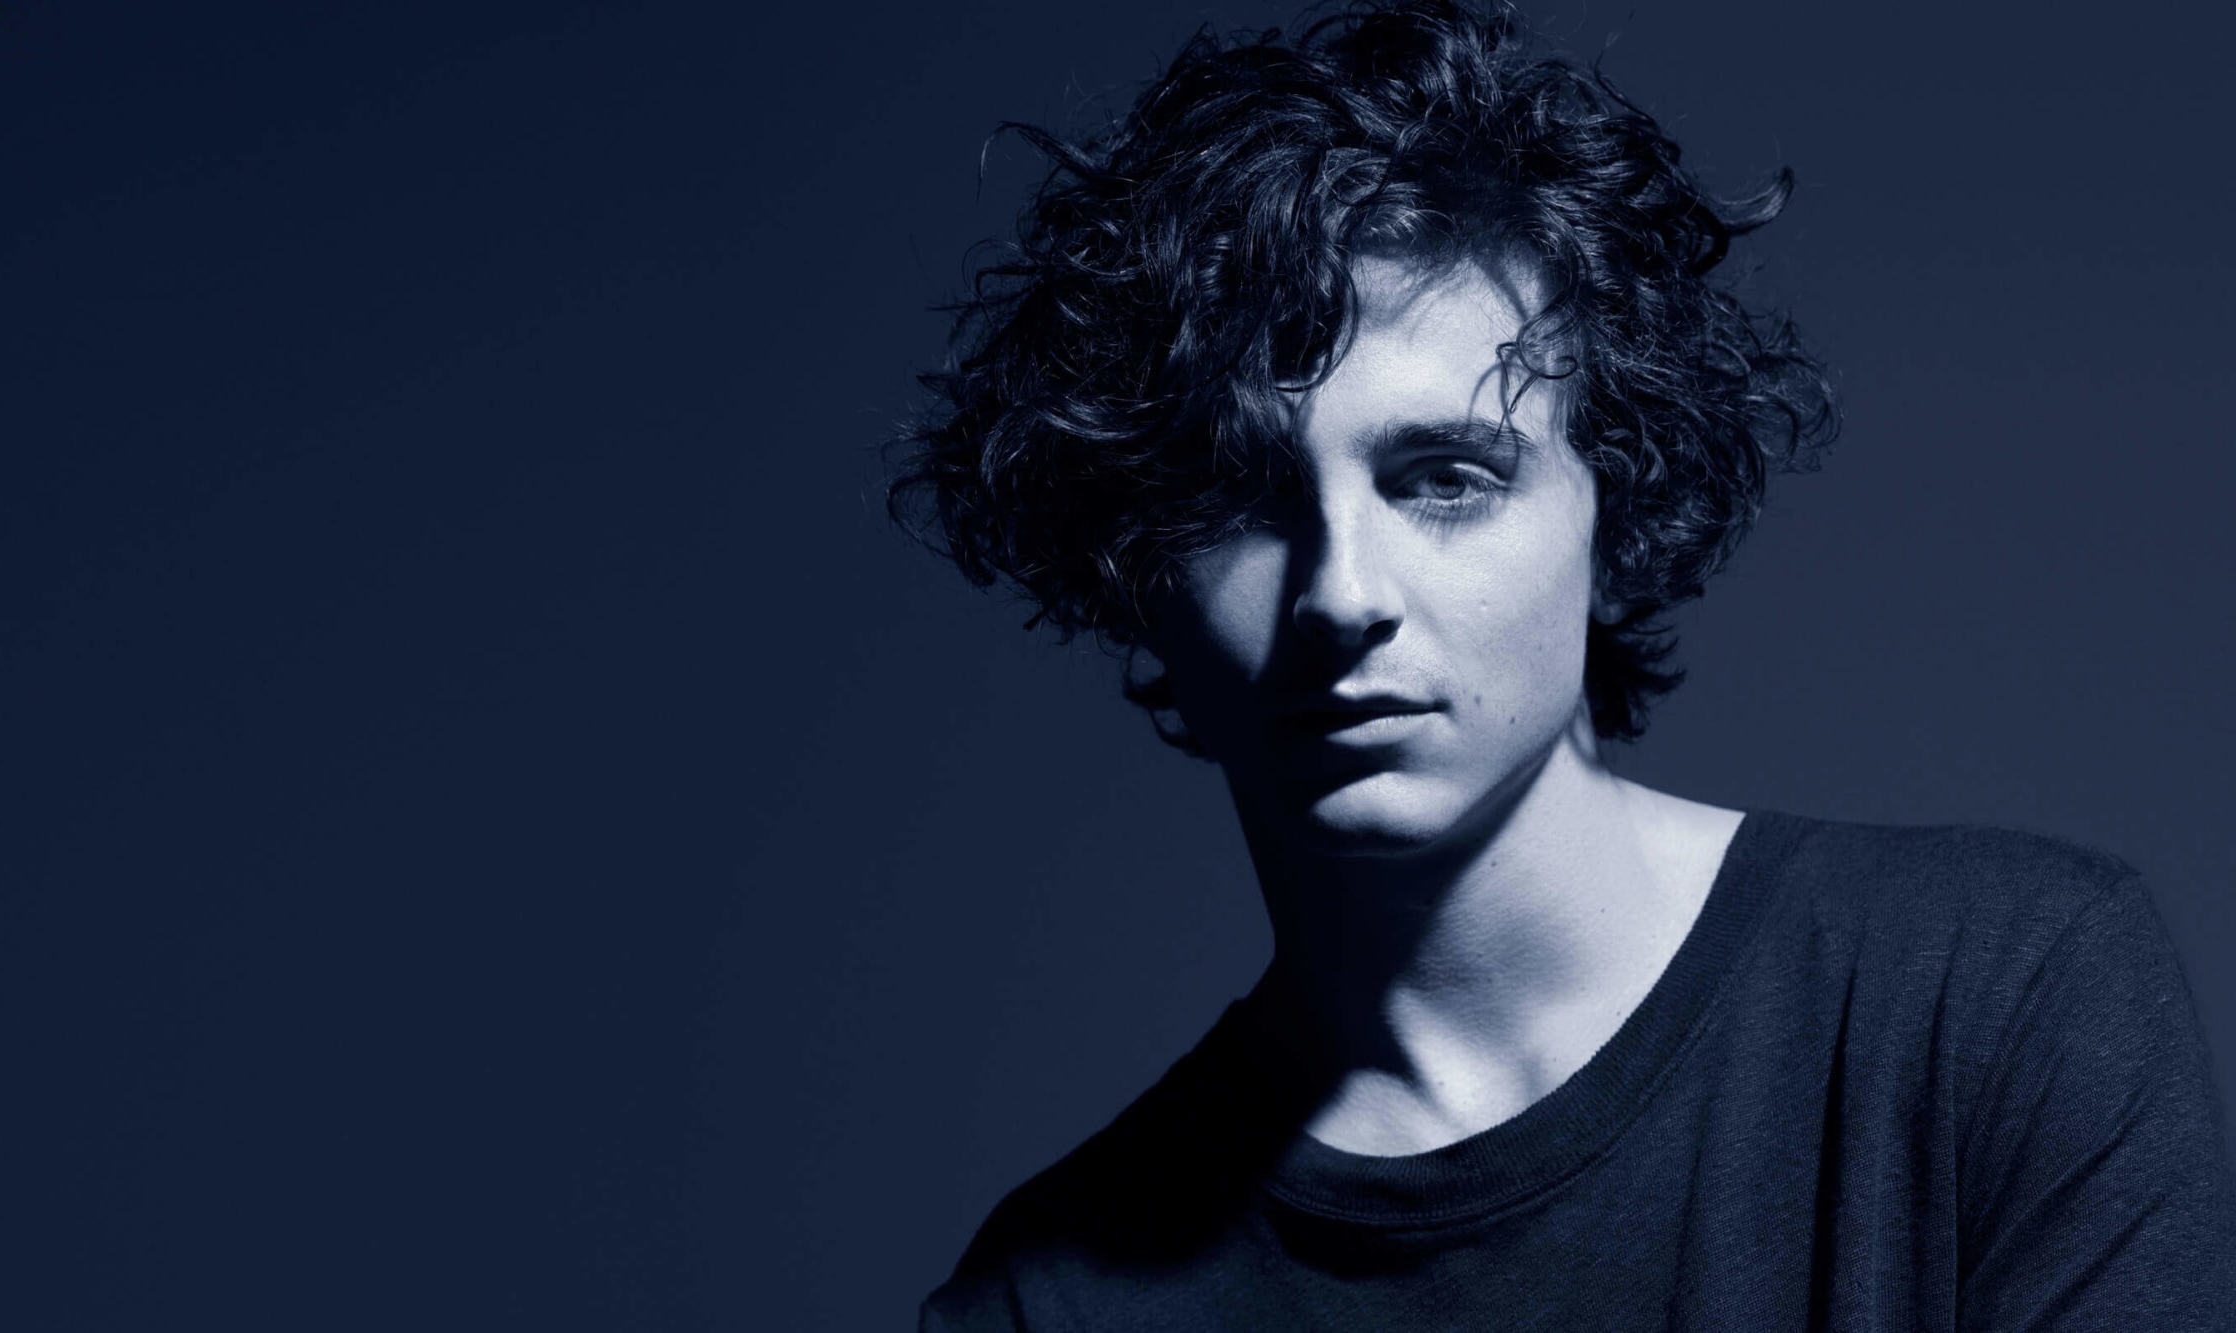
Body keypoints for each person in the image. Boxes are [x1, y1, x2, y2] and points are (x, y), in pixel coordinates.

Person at [888, 2, 2236, 1327]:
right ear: (1135, 568)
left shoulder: (2002, 997)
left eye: (1446, 478)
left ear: (1615, 506)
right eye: (1239, 499)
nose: (1341, 594)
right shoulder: (1045, 1300)